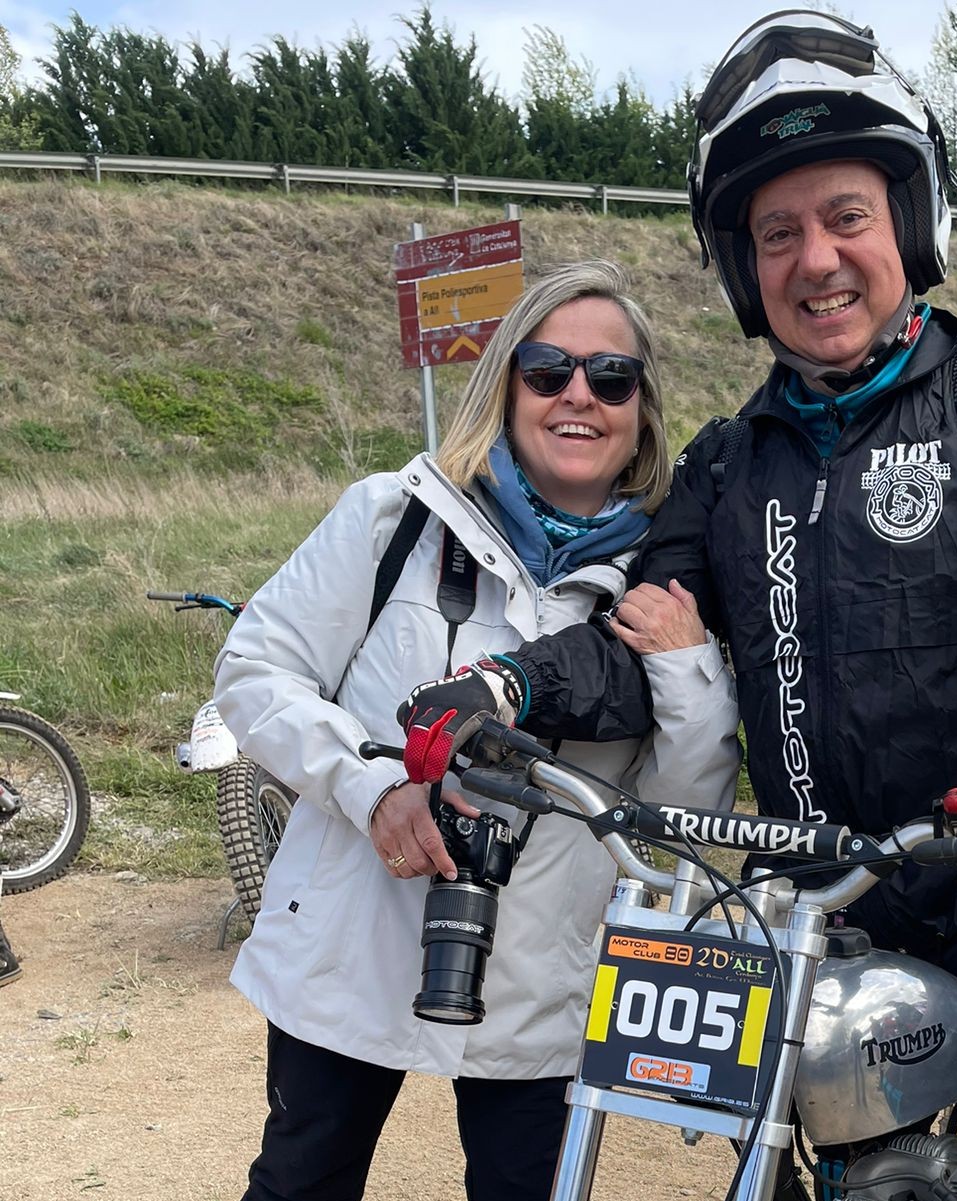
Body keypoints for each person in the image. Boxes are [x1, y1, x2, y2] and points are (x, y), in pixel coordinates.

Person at [398, 13, 957, 1200]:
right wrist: (506, 683)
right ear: (745, 270)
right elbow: (636, 645)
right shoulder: (727, 465)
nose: (815, 258)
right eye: (778, 233)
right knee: (774, 1153)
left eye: (845, 218)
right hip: (806, 890)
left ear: (909, 226)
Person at [212, 260, 741, 1201]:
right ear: (505, 384)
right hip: (351, 948)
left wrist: (688, 665)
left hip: (540, 987)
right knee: (300, 1183)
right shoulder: (395, 520)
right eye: (548, 370)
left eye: (611, 377)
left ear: (643, 411)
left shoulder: (666, 581)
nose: (578, 395)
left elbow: (680, 813)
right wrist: (373, 789)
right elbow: (255, 673)